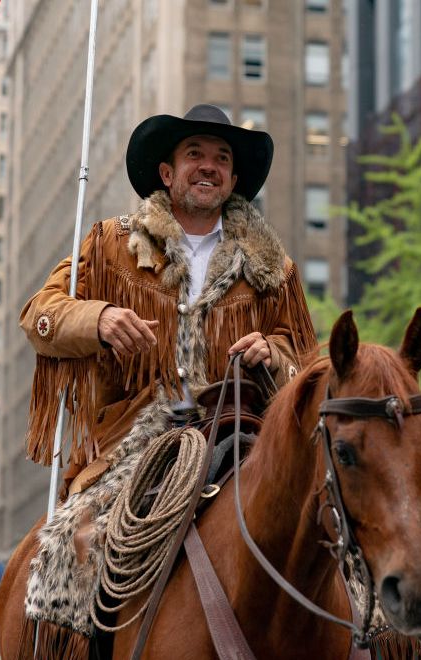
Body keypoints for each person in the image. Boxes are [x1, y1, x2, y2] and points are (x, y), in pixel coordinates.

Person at [21, 104, 318, 494]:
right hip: (129, 446)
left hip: (240, 443)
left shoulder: (273, 268)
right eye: (194, 153)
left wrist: (272, 355)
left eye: (222, 158)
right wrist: (99, 319)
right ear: (167, 173)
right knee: (82, 537)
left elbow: (309, 367)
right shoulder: (113, 245)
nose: (209, 166)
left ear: (232, 179)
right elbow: (39, 314)